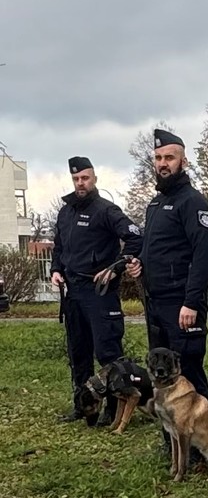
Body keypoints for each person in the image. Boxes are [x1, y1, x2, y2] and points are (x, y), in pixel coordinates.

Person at [51, 156, 143, 423]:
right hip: (73, 291)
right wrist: (56, 269)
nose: (80, 183)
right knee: (78, 352)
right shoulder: (66, 212)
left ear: (94, 179)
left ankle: (114, 409)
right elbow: (58, 247)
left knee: (107, 352)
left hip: (99, 292)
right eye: (76, 179)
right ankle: (83, 405)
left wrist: (116, 267)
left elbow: (135, 237)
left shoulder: (106, 210)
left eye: (85, 178)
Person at [126, 129, 208, 400]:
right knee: (162, 374)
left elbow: (204, 255)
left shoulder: (193, 202)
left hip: (182, 305)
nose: (163, 163)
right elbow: (157, 249)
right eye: (158, 158)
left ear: (183, 162)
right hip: (156, 304)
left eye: (169, 158)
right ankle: (171, 428)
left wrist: (191, 302)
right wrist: (139, 263)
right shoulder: (155, 204)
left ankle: (202, 428)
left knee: (188, 374)